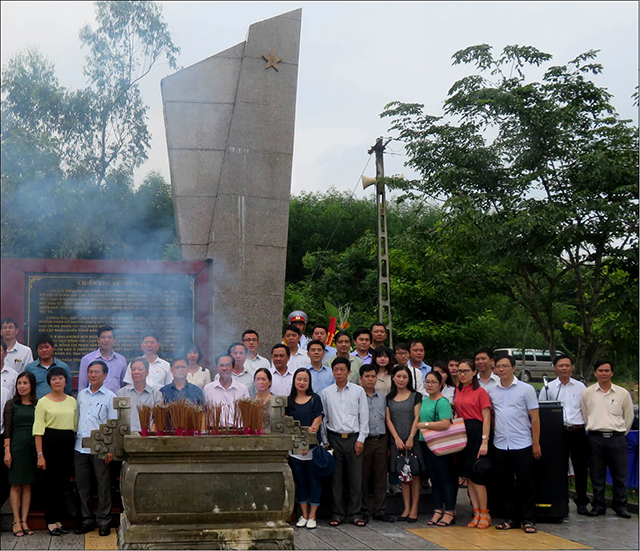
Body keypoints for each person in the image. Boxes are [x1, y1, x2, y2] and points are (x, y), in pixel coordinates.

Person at [488, 354, 541, 534]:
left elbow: (535, 418)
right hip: (501, 443)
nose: (501, 369)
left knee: (526, 482)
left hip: (523, 442)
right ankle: (511, 518)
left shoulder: (526, 389)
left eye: (505, 366)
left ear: (513, 368)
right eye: (498, 366)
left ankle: (529, 519)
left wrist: (536, 442)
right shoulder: (492, 391)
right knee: (505, 483)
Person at [581, 360, 634, 519]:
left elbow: (629, 417)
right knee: (596, 474)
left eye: (607, 370)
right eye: (600, 370)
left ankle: (620, 505)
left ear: (612, 373)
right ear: (595, 373)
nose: (603, 373)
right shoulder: (588, 393)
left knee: (620, 474)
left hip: (616, 438)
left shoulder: (622, 393)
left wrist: (620, 433)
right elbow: (585, 415)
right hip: (595, 437)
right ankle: (598, 505)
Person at [538, 355, 589, 515]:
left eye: (567, 365)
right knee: (558, 468)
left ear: (572, 367)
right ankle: (560, 501)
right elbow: (542, 409)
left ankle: (582, 501)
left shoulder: (581, 387)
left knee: (580, 468)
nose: (564, 368)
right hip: (557, 433)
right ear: (555, 368)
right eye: (561, 366)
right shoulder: (548, 388)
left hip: (577, 431)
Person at [322, 356, 369, 527]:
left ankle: (356, 513)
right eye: (336, 370)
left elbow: (364, 416)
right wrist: (326, 441)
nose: (339, 373)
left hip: (354, 438)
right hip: (334, 438)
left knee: (355, 478)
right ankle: (337, 513)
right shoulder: (326, 393)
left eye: (342, 370)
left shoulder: (358, 391)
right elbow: (324, 419)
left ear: (349, 371)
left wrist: (361, 439)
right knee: (336, 479)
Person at [33, 366, 78, 536]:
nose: (57, 381)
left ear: (66, 381)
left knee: (62, 485)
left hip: (67, 446)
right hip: (49, 445)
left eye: (60, 378)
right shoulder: (43, 402)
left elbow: (75, 426)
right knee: (49, 486)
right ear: (49, 382)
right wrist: (40, 455)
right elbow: (38, 430)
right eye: (54, 379)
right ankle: (51, 521)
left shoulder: (72, 401)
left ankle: (59, 520)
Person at [74, 360, 117, 537]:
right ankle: (87, 520)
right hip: (80, 447)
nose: (92, 375)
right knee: (83, 487)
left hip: (101, 448)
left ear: (105, 375)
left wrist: (110, 449)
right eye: (90, 371)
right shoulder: (81, 395)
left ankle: (104, 521)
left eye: (96, 372)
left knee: (103, 486)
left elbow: (113, 425)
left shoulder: (110, 396)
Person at [453, 359, 492, 529]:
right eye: (460, 371)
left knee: (477, 475)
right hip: (463, 433)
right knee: (468, 475)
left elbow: (486, 417)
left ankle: (485, 512)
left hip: (477, 432)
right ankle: (476, 512)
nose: (462, 374)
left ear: (474, 372)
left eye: (466, 371)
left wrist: (485, 440)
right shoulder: (458, 390)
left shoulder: (481, 392)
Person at [417, 370, 457, 526]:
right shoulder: (425, 400)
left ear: (440, 384)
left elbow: (445, 423)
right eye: (427, 382)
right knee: (433, 478)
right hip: (425, 443)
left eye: (433, 382)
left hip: (440, 444)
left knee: (444, 478)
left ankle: (449, 511)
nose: (429, 385)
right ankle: (437, 509)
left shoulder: (442, 402)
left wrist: (425, 425)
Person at [285, 368, 323, 529]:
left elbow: (316, 423)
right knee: (300, 482)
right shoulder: (289, 401)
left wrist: (306, 441)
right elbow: (288, 425)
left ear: (309, 382)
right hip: (295, 450)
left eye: (305, 380)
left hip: (312, 448)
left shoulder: (315, 399)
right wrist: (301, 440)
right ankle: (304, 514)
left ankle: (313, 515)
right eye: (299, 379)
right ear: (294, 381)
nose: (302, 382)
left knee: (314, 481)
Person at [386, 365, 424, 523]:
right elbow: (388, 419)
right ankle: (406, 508)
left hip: (412, 440)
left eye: (404, 377)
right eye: (398, 376)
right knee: (403, 475)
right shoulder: (389, 398)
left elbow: (417, 418)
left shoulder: (416, 396)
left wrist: (411, 437)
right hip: (397, 441)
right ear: (393, 378)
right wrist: (396, 438)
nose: (401, 380)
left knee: (414, 474)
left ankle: (414, 508)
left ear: (409, 379)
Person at [3, 371, 38, 537]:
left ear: (32, 385)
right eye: (19, 383)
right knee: (16, 484)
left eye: (25, 383)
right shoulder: (11, 404)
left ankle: (24, 520)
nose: (21, 386)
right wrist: (7, 451)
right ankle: (16, 521)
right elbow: (7, 429)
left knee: (28, 485)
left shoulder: (37, 404)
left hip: (32, 448)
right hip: (16, 448)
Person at [360, 363, 394, 523]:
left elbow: (386, 419)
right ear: (361, 378)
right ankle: (364, 509)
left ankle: (380, 510)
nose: (370, 379)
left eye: (373, 376)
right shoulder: (357, 396)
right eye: (367, 376)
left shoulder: (382, 397)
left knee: (381, 477)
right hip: (364, 441)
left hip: (381, 439)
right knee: (363, 477)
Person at [117, 357, 162, 433]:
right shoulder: (121, 393)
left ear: (147, 372)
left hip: (147, 436)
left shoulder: (156, 394)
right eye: (133, 370)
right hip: (126, 435)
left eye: (140, 369)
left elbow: (158, 419)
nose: (136, 372)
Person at [78, 325, 127, 394]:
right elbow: (82, 385)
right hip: (93, 398)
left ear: (114, 340)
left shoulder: (121, 360)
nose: (106, 340)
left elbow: (123, 385)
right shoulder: (87, 359)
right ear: (98, 340)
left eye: (109, 337)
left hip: (115, 398)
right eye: (103, 337)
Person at [203, 355, 250, 428]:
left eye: (227, 365)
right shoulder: (208, 389)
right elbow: (204, 413)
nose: (224, 368)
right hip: (214, 430)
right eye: (221, 365)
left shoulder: (242, 389)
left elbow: (247, 413)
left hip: (237, 430)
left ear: (233, 367)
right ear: (217, 367)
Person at [24, 334, 72, 399]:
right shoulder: (30, 368)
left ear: (53, 348)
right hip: (37, 404)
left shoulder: (63, 367)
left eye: (47, 347)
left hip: (58, 403)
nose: (44, 350)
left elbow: (68, 390)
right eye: (41, 348)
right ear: (37, 350)